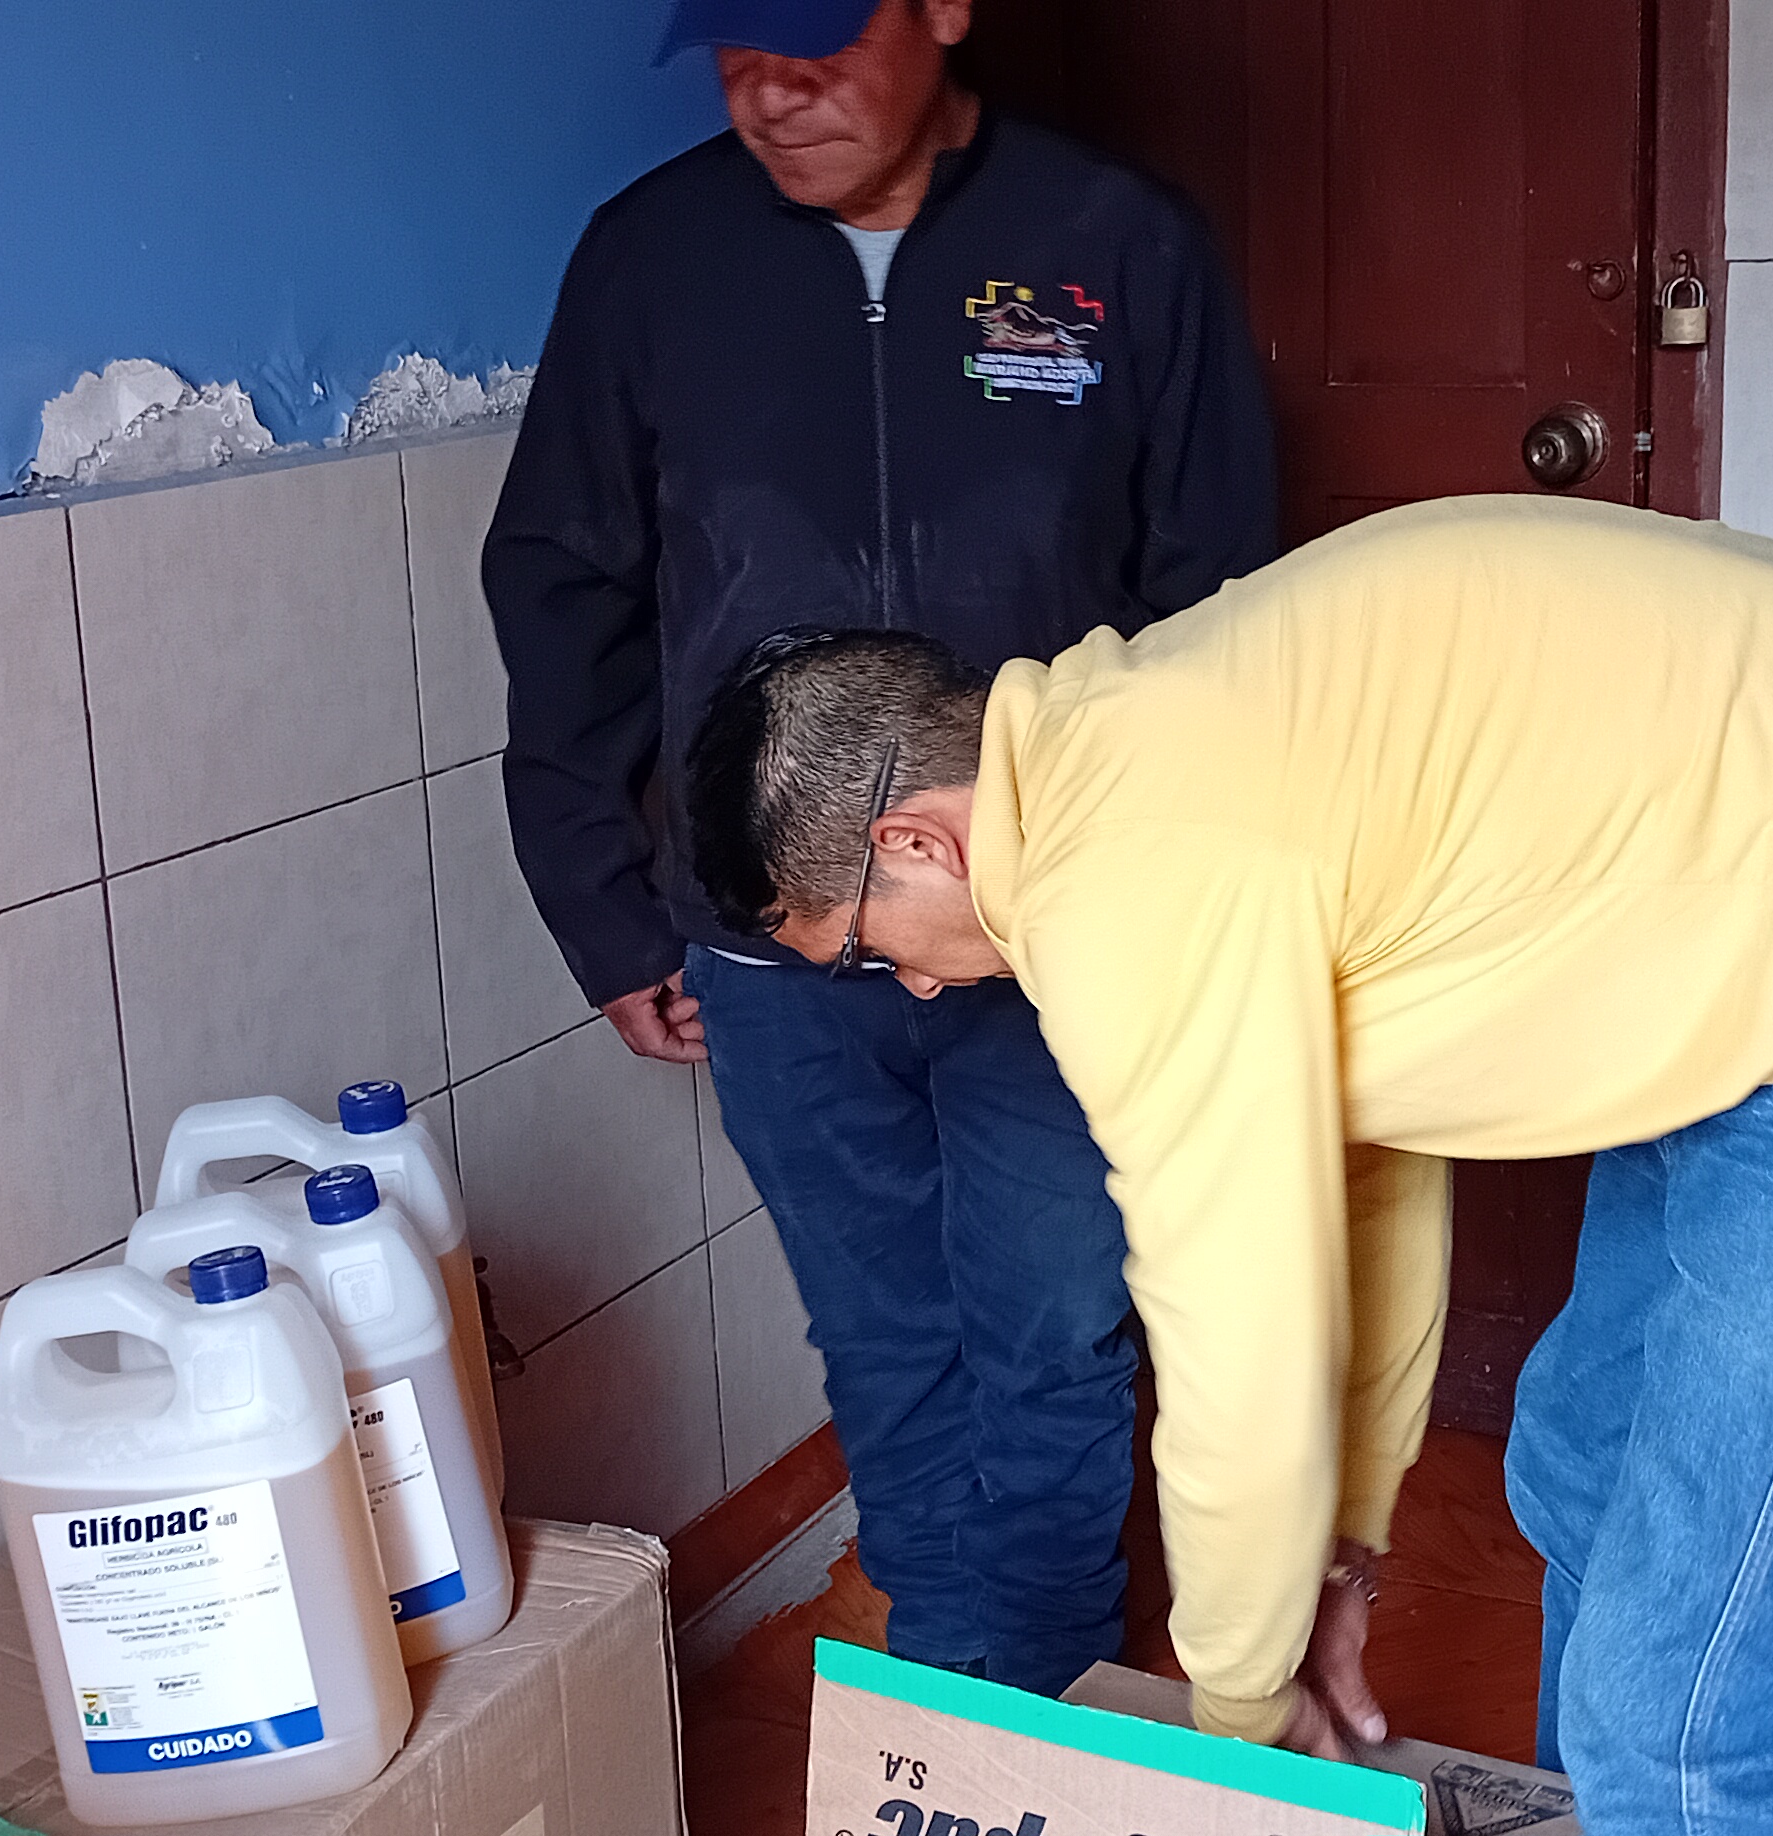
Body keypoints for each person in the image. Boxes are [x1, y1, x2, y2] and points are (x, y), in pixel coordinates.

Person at [682, 496, 1773, 1833]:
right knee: (1577, 1464)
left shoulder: (1119, 871)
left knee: (1675, 1716)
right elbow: (1354, 1183)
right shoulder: (1129, 739)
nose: (914, 988)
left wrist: (1238, 1716)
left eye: (863, 951)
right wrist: (1340, 1543)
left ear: (916, 841)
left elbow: (1238, 1320)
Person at [480, 0, 1278, 1694]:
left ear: (943, 10)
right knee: (885, 1340)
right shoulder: (652, 260)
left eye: (820, 43)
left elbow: (1220, 601)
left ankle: (1037, 1702)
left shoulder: (1114, 242)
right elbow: (562, 590)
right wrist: (603, 907)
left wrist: (1176, 898)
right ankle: (943, 1694)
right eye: (737, 52)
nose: (777, 93)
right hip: (772, 947)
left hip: (1047, 935)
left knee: (1052, 1329)